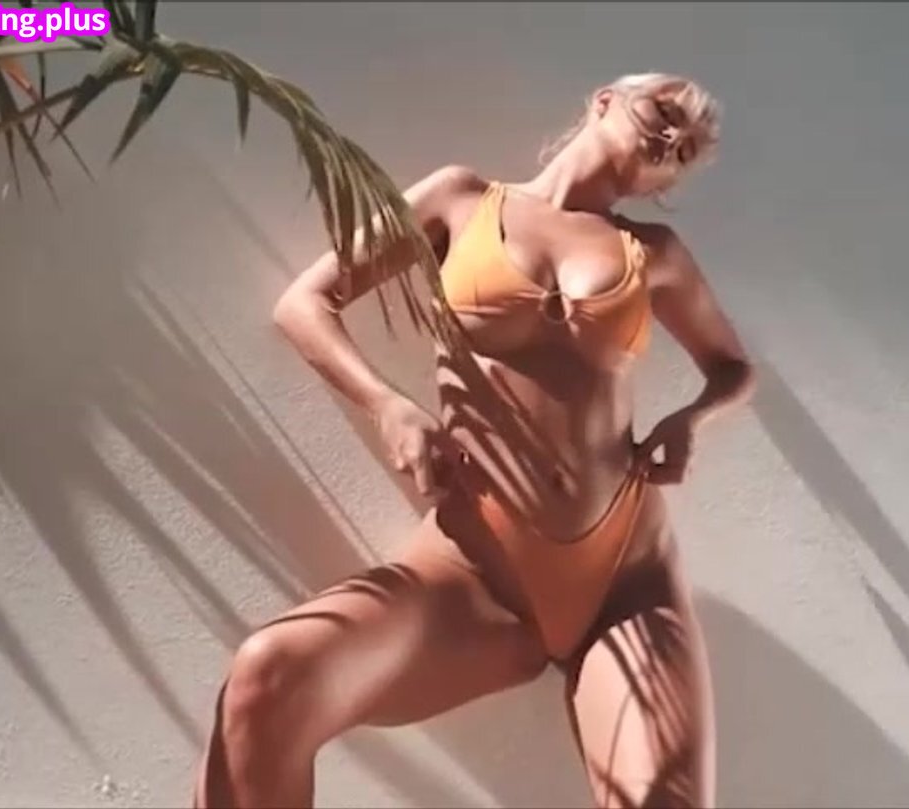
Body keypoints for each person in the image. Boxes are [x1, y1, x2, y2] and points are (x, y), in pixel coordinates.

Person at [194, 72, 757, 809]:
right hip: (471, 569)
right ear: (604, 101)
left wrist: (692, 418)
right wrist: (387, 405)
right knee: (267, 678)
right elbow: (306, 302)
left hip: (623, 578)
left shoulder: (654, 253)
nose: (671, 138)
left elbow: (733, 367)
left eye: (685, 151)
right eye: (665, 112)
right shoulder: (462, 200)